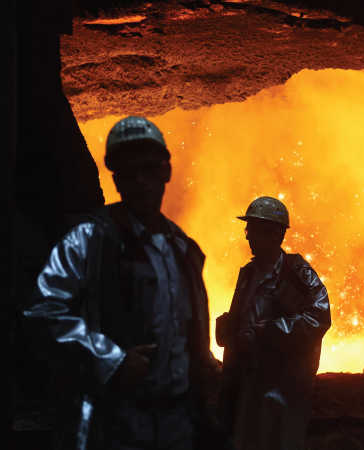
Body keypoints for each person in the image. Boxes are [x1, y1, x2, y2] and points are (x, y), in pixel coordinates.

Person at [22, 116, 231, 450]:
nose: (140, 180)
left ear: (166, 172)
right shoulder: (88, 240)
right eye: (128, 171)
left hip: (179, 423)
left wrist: (203, 369)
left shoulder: (184, 250)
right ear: (115, 179)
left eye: (149, 168)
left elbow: (187, 328)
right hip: (116, 424)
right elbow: (42, 313)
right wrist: (111, 360)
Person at [215, 197, 331, 450]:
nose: (249, 236)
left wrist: (275, 331)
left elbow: (319, 318)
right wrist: (228, 328)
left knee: (273, 437)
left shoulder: (299, 274)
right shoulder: (248, 272)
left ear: (276, 233)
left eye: (256, 229)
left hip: (278, 380)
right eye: (248, 229)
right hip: (244, 372)